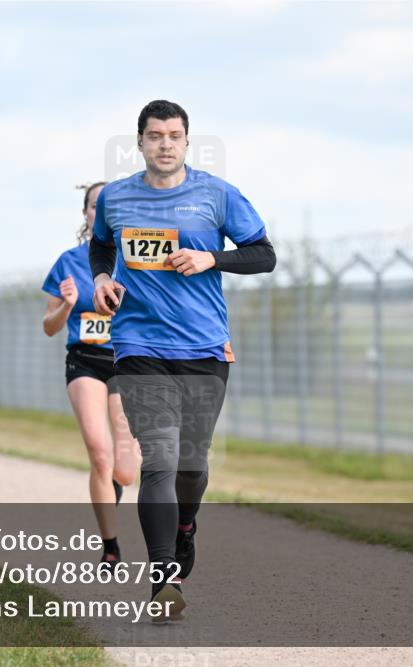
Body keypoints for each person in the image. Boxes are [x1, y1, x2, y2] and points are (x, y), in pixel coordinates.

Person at [90, 100, 276, 620]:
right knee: (160, 460)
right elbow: (102, 247)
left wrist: (211, 257)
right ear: (140, 142)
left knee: (191, 466)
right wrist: (102, 278)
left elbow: (264, 254)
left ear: (187, 142)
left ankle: (186, 525)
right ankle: (163, 580)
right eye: (155, 136)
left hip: (204, 348)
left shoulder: (217, 194)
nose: (165, 144)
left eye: (174, 136)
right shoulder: (117, 197)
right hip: (139, 346)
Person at [42, 182, 141, 569]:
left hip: (126, 362)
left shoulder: (135, 258)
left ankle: (112, 486)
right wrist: (66, 306)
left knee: (125, 471)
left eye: (108, 205)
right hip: (84, 360)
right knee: (100, 454)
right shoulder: (67, 262)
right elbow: (49, 327)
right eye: (95, 205)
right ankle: (110, 546)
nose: (101, 212)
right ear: (85, 213)